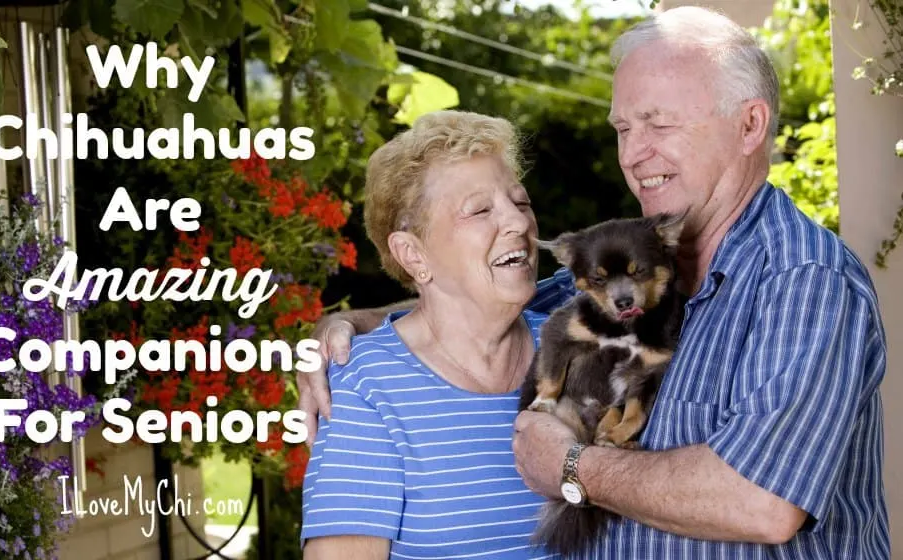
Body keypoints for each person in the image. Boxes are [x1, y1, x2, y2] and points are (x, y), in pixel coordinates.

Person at [299, 6, 890, 559]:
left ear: (749, 125)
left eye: (658, 123)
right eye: (624, 128)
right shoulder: (626, 275)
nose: (634, 153)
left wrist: (572, 467)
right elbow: (473, 302)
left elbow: (762, 503)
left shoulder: (805, 282)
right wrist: (353, 327)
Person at [299, 110, 561, 559]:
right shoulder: (368, 385)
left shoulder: (577, 351)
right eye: (480, 210)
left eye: (520, 202)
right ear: (413, 254)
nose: (519, 224)